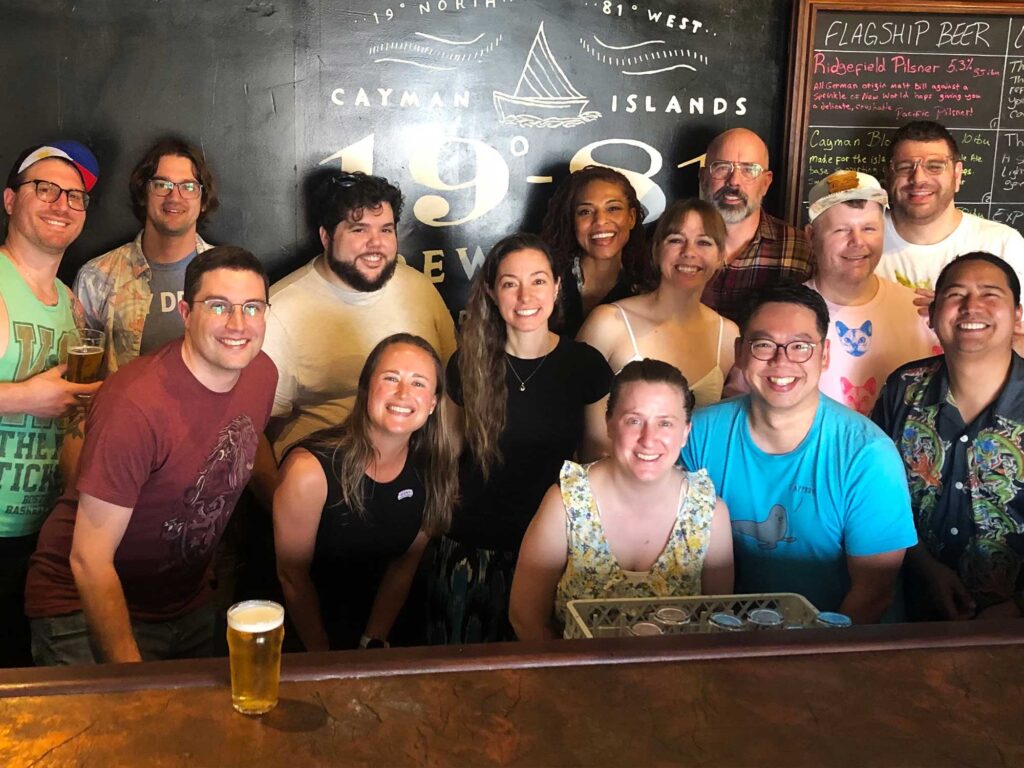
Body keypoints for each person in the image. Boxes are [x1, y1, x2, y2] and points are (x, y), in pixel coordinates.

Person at [25, 246, 278, 664]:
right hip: (78, 602)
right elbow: (88, 559)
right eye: (218, 306)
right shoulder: (136, 403)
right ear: (185, 313)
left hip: (184, 601)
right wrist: (134, 679)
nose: (238, 324)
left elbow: (243, 446)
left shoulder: (262, 373)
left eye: (252, 307)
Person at [681, 283, 917, 623]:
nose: (782, 361)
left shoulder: (867, 457)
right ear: (740, 352)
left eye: (800, 347)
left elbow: (873, 594)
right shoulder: (698, 434)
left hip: (839, 645)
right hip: (727, 635)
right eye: (764, 345)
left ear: (825, 356)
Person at [428, 233, 613, 643]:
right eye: (510, 283)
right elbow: (447, 458)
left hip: (555, 553)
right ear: (492, 292)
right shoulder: (466, 363)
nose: (525, 294)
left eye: (538, 280)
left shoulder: (585, 365)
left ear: (557, 287)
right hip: (471, 551)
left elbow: (598, 459)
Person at [509, 359, 733, 641]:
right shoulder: (566, 501)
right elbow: (525, 617)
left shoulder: (709, 512)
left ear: (686, 432)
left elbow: (715, 623)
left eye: (665, 423)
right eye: (634, 421)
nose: (648, 439)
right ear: (609, 424)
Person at [273, 334, 458, 650]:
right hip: (302, 637)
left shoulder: (433, 471)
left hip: (382, 632)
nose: (403, 393)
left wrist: (371, 642)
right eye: (390, 378)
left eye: (418, 383)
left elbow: (404, 565)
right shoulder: (308, 471)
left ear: (432, 404)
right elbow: (292, 578)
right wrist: (327, 662)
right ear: (366, 388)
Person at [261, 171, 456, 463]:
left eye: (386, 230)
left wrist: (447, 467)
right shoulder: (281, 310)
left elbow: (455, 387)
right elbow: (248, 432)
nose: (375, 244)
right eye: (359, 230)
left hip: (415, 475)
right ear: (326, 237)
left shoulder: (419, 288)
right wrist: (284, 500)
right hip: (325, 481)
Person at [873, 253, 1024, 621]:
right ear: (934, 312)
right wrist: (926, 569)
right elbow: (875, 494)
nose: (972, 307)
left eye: (990, 294)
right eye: (956, 295)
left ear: (1018, 314)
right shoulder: (903, 388)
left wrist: (1016, 608)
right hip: (906, 612)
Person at [0, 140, 102, 666]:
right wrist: (24, 396)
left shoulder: (74, 307)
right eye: (45, 189)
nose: (62, 203)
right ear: (11, 200)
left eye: (75, 196)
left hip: (43, 538)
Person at [876, 120, 1024, 353]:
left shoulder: (1003, 244)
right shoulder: (859, 240)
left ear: (957, 174)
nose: (919, 179)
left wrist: (961, 313)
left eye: (935, 166)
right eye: (905, 167)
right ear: (888, 175)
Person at [74, 138, 218, 375]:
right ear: (143, 194)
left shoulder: (229, 276)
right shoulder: (97, 277)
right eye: (162, 185)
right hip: (123, 411)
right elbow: (80, 377)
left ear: (203, 201)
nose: (175, 196)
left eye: (189, 187)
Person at [578, 199, 739, 409]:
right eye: (676, 240)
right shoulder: (607, 322)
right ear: (656, 251)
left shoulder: (727, 335)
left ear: (721, 257)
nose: (689, 252)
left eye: (704, 242)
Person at [804, 170, 939, 415]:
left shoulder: (921, 311)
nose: (857, 241)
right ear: (811, 237)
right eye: (841, 230)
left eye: (869, 228)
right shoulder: (784, 316)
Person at [698, 128, 813, 324]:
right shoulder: (673, 245)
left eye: (749, 170)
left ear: (766, 183)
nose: (734, 181)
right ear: (703, 177)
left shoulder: (801, 250)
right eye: (722, 167)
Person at [540, 165, 652, 336]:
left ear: (631, 217)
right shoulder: (544, 280)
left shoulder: (649, 289)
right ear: (572, 221)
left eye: (613, 208)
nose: (600, 221)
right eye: (585, 211)